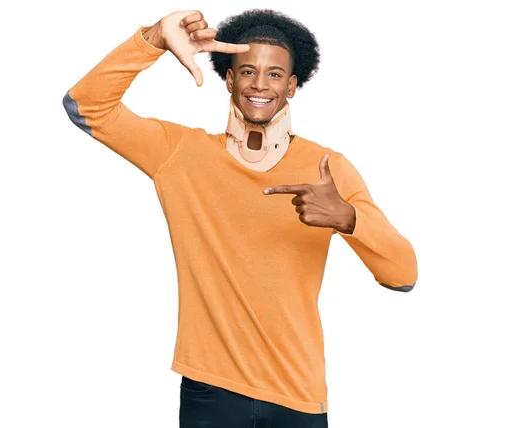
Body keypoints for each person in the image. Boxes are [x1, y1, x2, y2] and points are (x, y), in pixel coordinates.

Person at [63, 8, 418, 428]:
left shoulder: (328, 168)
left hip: (298, 393)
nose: (259, 84)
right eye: (248, 71)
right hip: (210, 390)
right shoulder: (180, 153)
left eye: (273, 75)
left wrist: (349, 218)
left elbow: (403, 275)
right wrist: (153, 39)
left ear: (292, 86)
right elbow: (85, 106)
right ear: (230, 80)